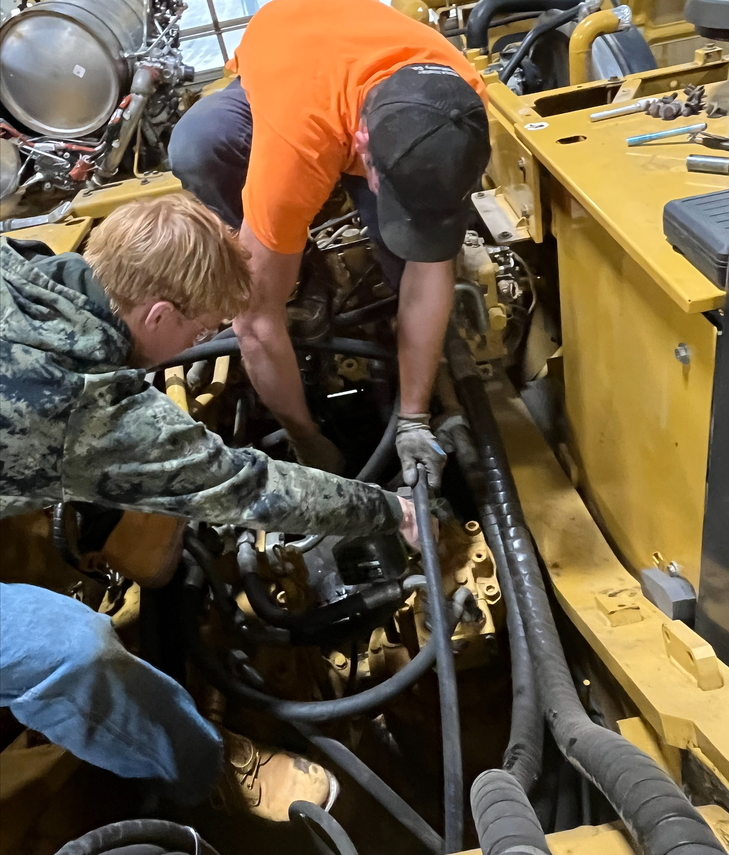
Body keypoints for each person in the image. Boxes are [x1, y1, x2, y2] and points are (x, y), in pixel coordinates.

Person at [0, 193, 419, 820]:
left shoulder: (19, 261)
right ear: (161, 313)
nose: (200, 342)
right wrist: (392, 512)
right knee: (70, 651)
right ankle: (199, 764)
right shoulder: (84, 409)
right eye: (199, 332)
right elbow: (250, 488)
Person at [169, 0, 491, 487]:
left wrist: (413, 419)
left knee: (408, 255)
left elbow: (431, 270)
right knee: (200, 144)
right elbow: (255, 324)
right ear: (359, 145)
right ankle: (300, 278)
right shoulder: (299, 141)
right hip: (292, 55)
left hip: (354, 77)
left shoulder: (459, 108)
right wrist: (305, 439)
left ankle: (410, 353)